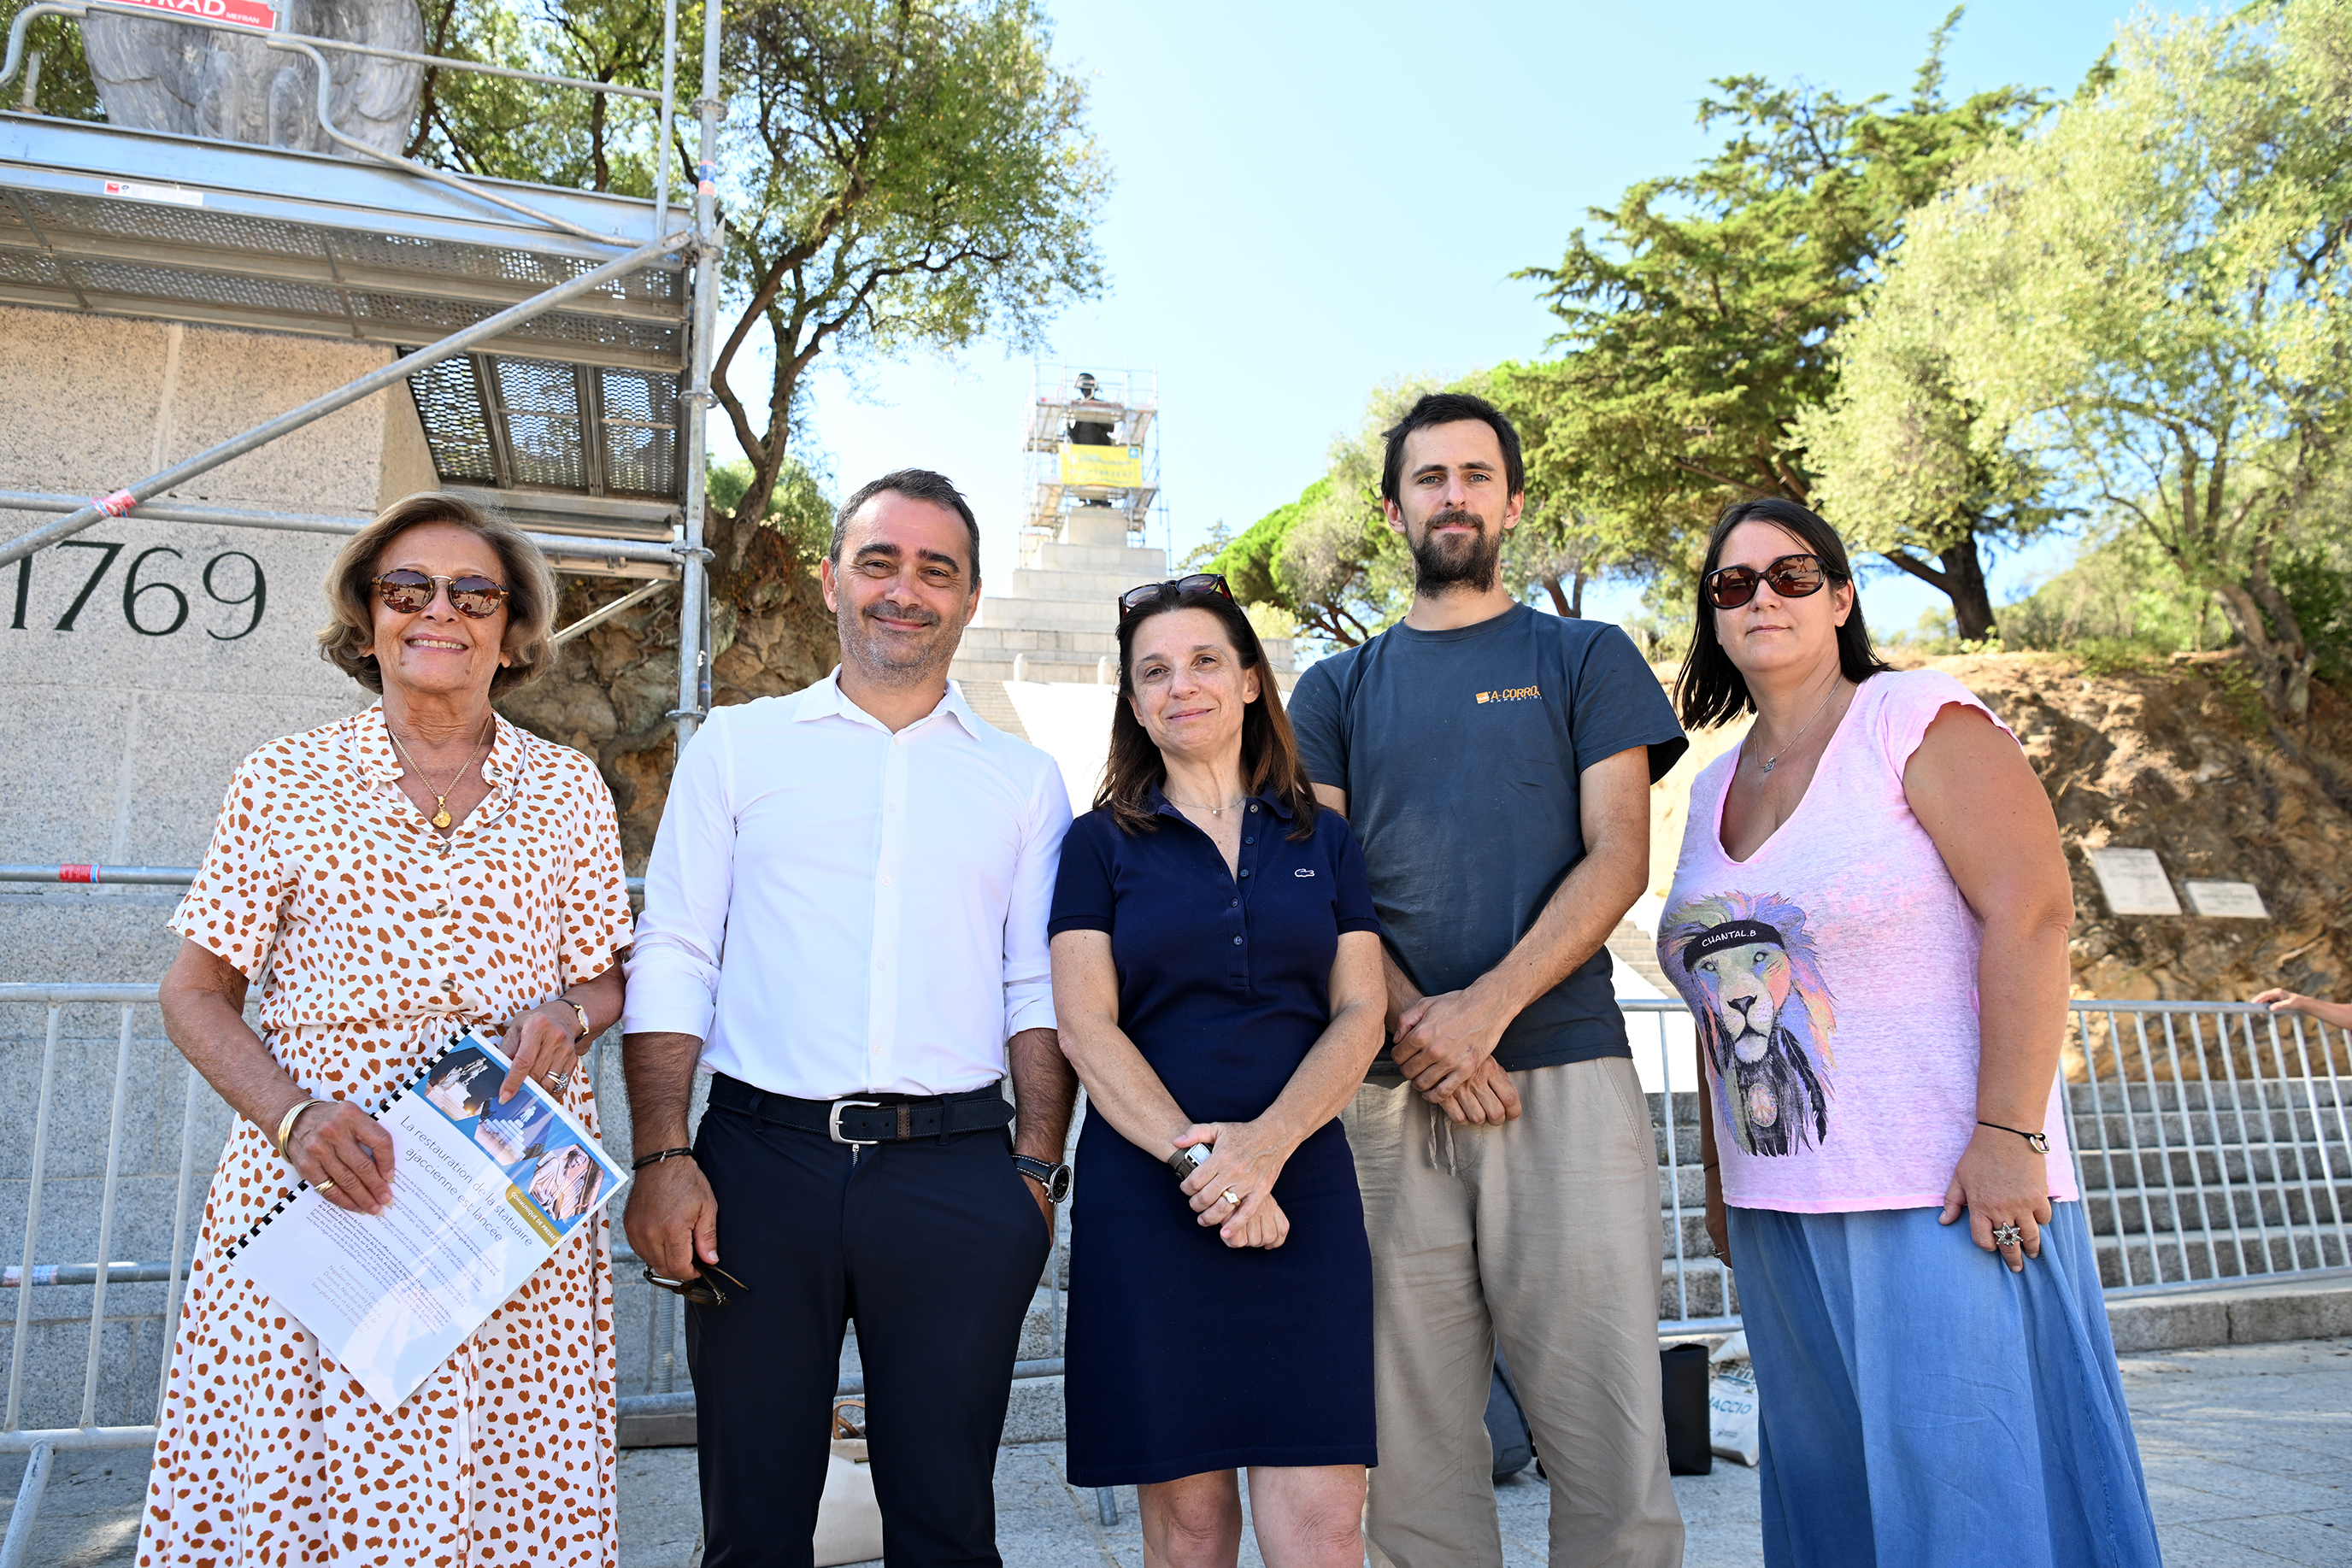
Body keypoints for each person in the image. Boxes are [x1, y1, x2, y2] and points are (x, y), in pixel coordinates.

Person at [1656, 496, 2161, 1567]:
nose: (1761, 597)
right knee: (1832, 1502)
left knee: (1971, 1506)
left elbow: (2032, 911)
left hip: (1940, 1187)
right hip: (1779, 1203)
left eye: (1792, 575)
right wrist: (1719, 1182)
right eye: (1733, 583)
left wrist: (2010, 1134)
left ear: (1841, 598)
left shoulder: (1913, 715)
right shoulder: (1709, 790)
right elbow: (1715, 1006)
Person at [145, 491, 634, 1565]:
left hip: (499, 1197)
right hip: (324, 1185)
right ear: (367, 621)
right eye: (406, 588)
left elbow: (608, 979)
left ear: (513, 632)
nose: (438, 610)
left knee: (506, 1476)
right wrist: (293, 1116)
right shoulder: (283, 778)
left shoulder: (568, 790)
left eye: (474, 592)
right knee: (311, 1479)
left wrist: (568, 1011)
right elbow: (194, 992)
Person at [622, 468, 1076, 1568]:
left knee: (947, 1526)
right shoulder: (738, 746)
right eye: (879, 562)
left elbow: (1036, 985)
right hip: (755, 1168)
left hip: (960, 1171)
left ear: (970, 598)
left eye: (936, 570)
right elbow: (675, 950)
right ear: (832, 580)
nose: (904, 590)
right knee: (754, 1525)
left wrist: (1033, 1171)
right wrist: (663, 1155)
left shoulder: (1023, 781)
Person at [1285, 391, 1689, 1568]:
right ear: (1392, 508)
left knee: (1609, 1431)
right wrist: (1424, 1032)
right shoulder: (1333, 688)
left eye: (1475, 475)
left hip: (1562, 1075)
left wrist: (1485, 1011)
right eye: (1429, 476)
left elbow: (1619, 856)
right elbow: (1321, 879)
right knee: (1409, 1448)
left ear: (1512, 503)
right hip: (1382, 1096)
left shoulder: (1584, 655)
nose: (1452, 495)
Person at [1050, 574, 1386, 1568]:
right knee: (1190, 1528)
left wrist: (1264, 1150)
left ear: (1248, 680)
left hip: (1302, 1190)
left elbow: (1362, 1010)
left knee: (1324, 1524)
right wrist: (1208, 1167)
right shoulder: (1095, 845)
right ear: (1132, 700)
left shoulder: (1323, 837)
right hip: (1151, 1197)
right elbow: (1084, 1024)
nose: (1180, 684)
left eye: (1203, 660)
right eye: (1153, 670)